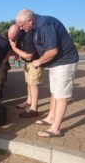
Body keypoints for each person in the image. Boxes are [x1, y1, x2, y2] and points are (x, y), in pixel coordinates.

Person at [16, 9, 79, 137]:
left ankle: (55, 128)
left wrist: (38, 62)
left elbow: (52, 51)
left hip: (65, 62)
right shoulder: (35, 26)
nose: (21, 29)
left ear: (30, 20)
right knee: (54, 93)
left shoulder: (45, 25)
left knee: (61, 96)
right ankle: (50, 117)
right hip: (56, 64)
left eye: (22, 25)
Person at [8, 24, 44, 118]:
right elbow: (21, 48)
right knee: (29, 83)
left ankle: (33, 109)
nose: (13, 40)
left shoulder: (28, 36)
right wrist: (17, 55)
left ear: (19, 32)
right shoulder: (20, 35)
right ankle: (28, 102)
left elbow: (29, 56)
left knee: (33, 85)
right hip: (28, 63)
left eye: (14, 38)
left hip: (35, 63)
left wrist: (14, 48)